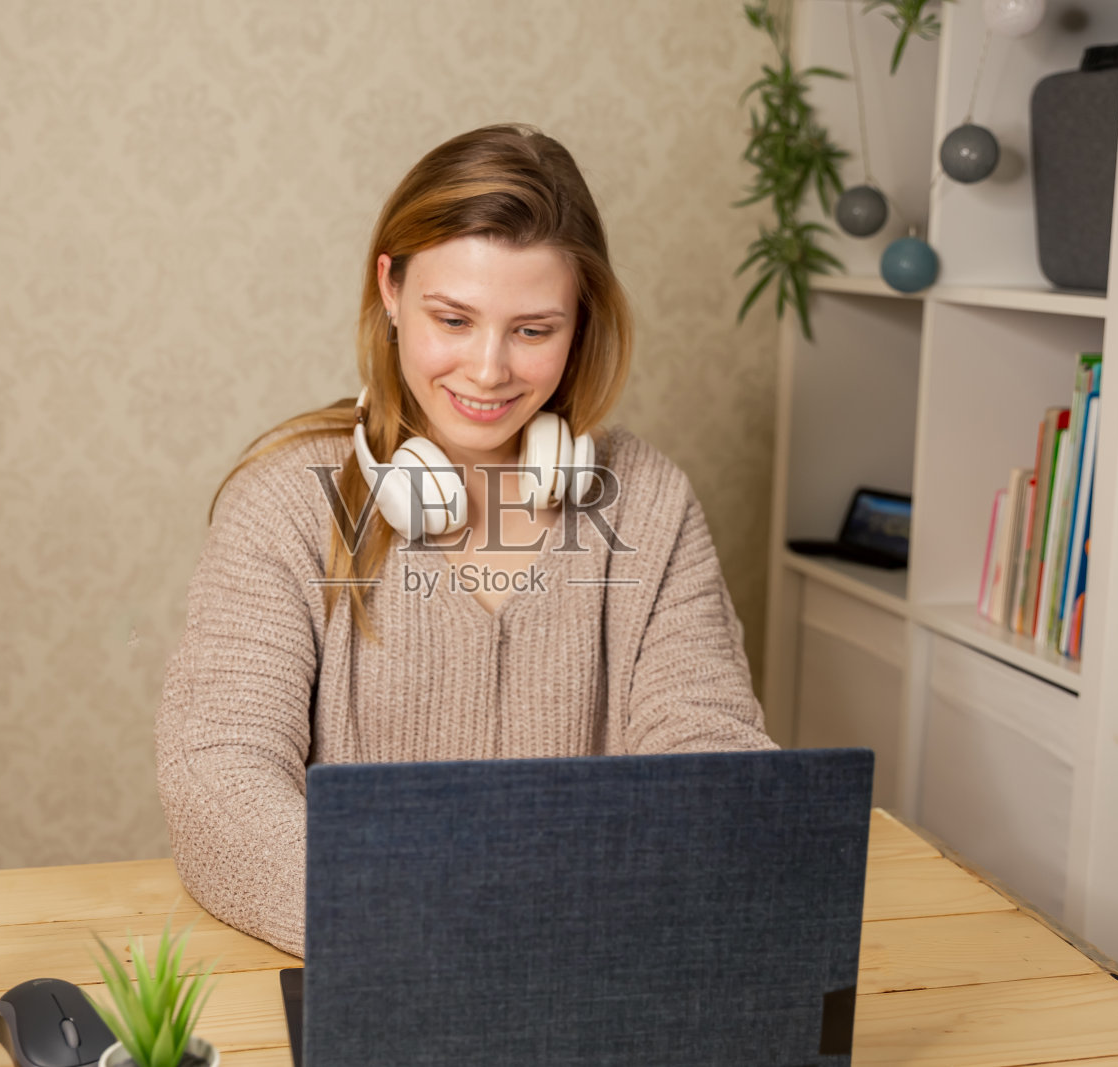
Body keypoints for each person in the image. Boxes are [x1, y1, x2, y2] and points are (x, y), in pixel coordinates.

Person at [154, 124, 777, 958]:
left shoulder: (649, 501)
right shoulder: (285, 502)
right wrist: (435, 928)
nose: (488, 370)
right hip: (378, 970)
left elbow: (717, 770)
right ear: (390, 289)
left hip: (590, 978)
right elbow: (217, 784)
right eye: (453, 318)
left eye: (533, 330)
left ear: (581, 323)